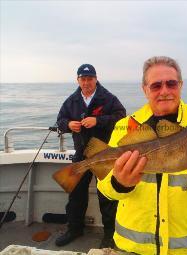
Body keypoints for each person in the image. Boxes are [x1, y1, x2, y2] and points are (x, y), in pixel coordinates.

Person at [97, 56, 187, 255]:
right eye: (156, 86)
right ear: (144, 89)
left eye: (171, 83)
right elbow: (105, 188)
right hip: (134, 248)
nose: (164, 91)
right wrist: (119, 183)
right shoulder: (125, 126)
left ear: (180, 85)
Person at [55, 64, 126, 248]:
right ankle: (74, 229)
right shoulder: (71, 101)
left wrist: (98, 120)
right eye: (83, 79)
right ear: (78, 80)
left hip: (105, 154)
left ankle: (110, 235)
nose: (86, 82)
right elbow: (60, 120)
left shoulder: (108, 98)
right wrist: (68, 124)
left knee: (107, 196)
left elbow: (122, 117)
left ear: (96, 79)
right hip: (81, 154)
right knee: (76, 195)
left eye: (90, 79)